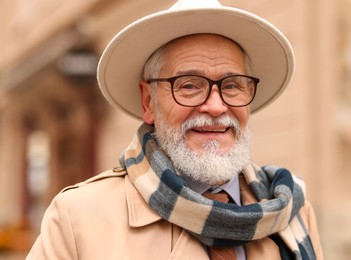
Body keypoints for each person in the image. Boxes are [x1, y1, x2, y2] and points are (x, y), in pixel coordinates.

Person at [27, 0, 323, 259]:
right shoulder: (78, 219)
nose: (216, 107)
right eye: (190, 86)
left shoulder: (291, 210)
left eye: (232, 85)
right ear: (148, 102)